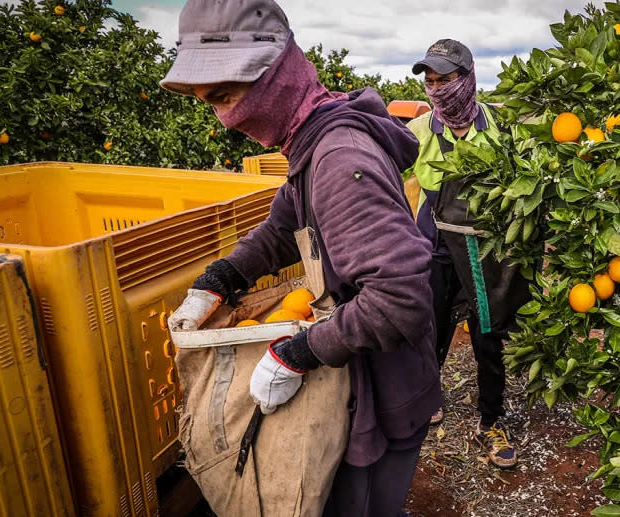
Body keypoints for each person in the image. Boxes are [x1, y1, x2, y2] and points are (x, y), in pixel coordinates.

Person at [161, 1, 440, 515]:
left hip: (386, 389)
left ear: (276, 74)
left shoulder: (339, 158)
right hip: (363, 379)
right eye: (210, 103)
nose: (225, 120)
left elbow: (400, 299)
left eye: (226, 95)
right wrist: (217, 281)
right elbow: (281, 229)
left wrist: (297, 353)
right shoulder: (310, 144)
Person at [406, 39, 530, 470]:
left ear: (469, 78)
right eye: (431, 81)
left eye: (446, 79)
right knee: (431, 325)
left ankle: (491, 420)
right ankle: (428, 397)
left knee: (487, 333)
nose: (437, 89)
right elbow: (381, 167)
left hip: (486, 248)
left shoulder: (500, 129)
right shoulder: (421, 132)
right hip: (437, 243)